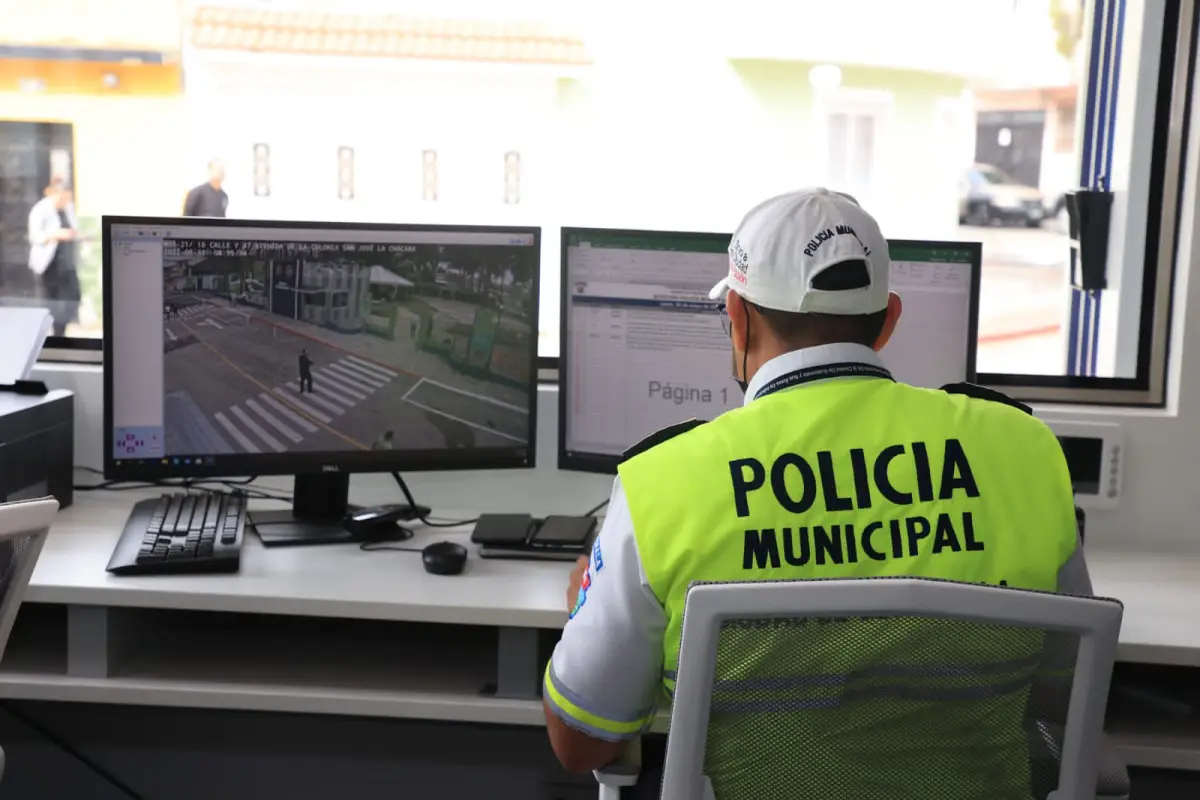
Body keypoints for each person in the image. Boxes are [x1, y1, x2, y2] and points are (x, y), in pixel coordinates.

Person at [541, 189, 1089, 795]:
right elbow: (1057, 690)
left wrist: (581, 604)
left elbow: (581, 740)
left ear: (740, 317)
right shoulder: (1028, 450)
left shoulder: (661, 483)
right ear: (889, 320)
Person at [27, 182, 82, 337]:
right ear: (54, 194)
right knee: (52, 302)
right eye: (62, 197)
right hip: (49, 265)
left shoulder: (68, 208)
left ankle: (61, 329)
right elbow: (35, 236)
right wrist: (56, 235)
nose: (65, 201)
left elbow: (73, 228)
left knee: (73, 296)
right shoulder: (40, 210)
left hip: (67, 264)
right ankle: (55, 335)